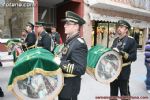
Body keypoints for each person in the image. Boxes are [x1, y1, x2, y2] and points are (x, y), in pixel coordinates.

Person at [53, 11, 88, 100]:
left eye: (68, 23)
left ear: (76, 26)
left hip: (70, 87)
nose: (65, 25)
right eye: (65, 23)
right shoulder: (70, 40)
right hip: (64, 84)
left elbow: (80, 69)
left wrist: (60, 63)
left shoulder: (79, 44)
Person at [110, 20, 137, 98]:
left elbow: (134, 57)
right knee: (113, 91)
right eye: (118, 27)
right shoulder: (115, 40)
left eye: (121, 27)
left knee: (124, 92)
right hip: (114, 70)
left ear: (126, 30)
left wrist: (122, 53)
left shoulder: (131, 40)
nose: (119, 28)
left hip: (124, 70)